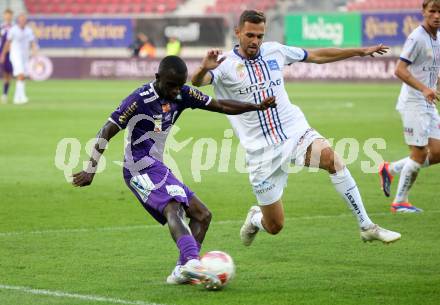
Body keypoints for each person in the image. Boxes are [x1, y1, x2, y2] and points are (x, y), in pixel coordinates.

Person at [191, 10, 401, 246]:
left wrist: (359, 51)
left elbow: (316, 55)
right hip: (261, 151)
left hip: (294, 132)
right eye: (250, 35)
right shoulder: (224, 64)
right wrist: (202, 68)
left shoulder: (275, 51)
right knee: (275, 226)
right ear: (237, 32)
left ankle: (366, 226)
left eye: (260, 36)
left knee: (332, 159)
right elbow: (198, 82)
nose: (255, 41)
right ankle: (255, 219)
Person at [72, 55, 276, 288]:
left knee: (202, 215)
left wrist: (255, 106)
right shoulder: (139, 99)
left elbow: (220, 105)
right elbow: (107, 129)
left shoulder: (182, 94)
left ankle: (181, 269)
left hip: (157, 166)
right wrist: (91, 168)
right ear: (158, 78)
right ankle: (191, 261)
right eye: (170, 85)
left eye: (179, 85)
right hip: (137, 167)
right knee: (173, 206)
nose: (175, 91)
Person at [379, 0, 440, 213]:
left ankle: (391, 168)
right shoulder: (417, 38)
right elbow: (400, 70)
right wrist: (425, 88)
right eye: (432, 11)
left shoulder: (438, 36)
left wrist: (435, 85)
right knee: (419, 153)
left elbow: (431, 69)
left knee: (438, 151)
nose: (437, 16)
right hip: (413, 102)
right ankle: (400, 202)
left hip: (428, 102)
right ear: (423, 12)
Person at [0, 13, 38, 104]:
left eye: (24, 20)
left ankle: (18, 97)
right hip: (15, 55)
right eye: (21, 20)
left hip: (25, 55)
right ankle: (20, 97)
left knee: (23, 76)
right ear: (18, 21)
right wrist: (3, 55)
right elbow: (7, 43)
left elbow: (32, 43)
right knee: (20, 74)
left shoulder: (28, 31)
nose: (22, 21)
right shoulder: (13, 30)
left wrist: (34, 53)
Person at [0, 9, 13, 104]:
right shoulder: (1, 27)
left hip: (12, 53)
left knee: (9, 74)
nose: (8, 17)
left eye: (9, 15)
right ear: (4, 16)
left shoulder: (14, 27)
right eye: (6, 15)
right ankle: (4, 94)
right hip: (2, 52)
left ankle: (5, 93)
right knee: (4, 73)